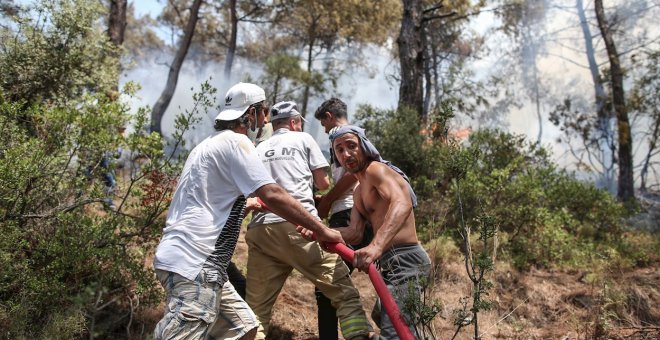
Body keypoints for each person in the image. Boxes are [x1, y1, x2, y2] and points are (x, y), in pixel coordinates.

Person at [152, 83, 345, 340]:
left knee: (245, 328)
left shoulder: (206, 146)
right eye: (263, 111)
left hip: (197, 260)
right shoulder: (237, 142)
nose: (266, 119)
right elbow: (272, 194)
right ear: (251, 113)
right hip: (197, 261)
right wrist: (322, 230)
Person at [246, 101, 371, 340]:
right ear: (294, 122)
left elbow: (252, 192)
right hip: (300, 227)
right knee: (344, 294)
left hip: (261, 230)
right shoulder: (302, 139)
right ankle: (358, 336)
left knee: (255, 312)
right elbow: (323, 183)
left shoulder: (259, 148)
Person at [302, 125, 429, 339]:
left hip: (407, 261)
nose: (346, 154)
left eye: (351, 146)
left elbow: (402, 202)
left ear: (364, 146)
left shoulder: (376, 170)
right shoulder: (359, 190)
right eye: (339, 150)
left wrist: (376, 246)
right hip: (389, 265)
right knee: (386, 318)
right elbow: (355, 233)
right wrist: (321, 230)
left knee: (395, 331)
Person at [313, 98, 374, 339]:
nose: (325, 129)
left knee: (327, 285)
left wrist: (327, 201)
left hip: (346, 214)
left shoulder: (340, 136)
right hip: (355, 213)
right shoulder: (356, 137)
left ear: (329, 116)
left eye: (323, 123)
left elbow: (351, 176)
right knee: (333, 283)